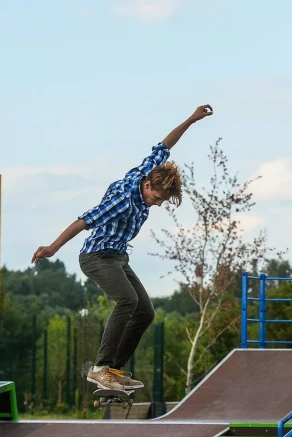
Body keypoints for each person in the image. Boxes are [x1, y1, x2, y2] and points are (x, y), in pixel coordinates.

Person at [31, 104, 214, 392]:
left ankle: (113, 370)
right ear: (148, 185)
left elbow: (165, 145)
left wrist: (192, 119)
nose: (159, 203)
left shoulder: (147, 171)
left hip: (117, 257)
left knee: (146, 312)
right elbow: (84, 221)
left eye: (164, 199)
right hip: (96, 257)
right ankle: (100, 368)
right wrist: (52, 248)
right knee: (127, 300)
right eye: (158, 197)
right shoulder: (122, 200)